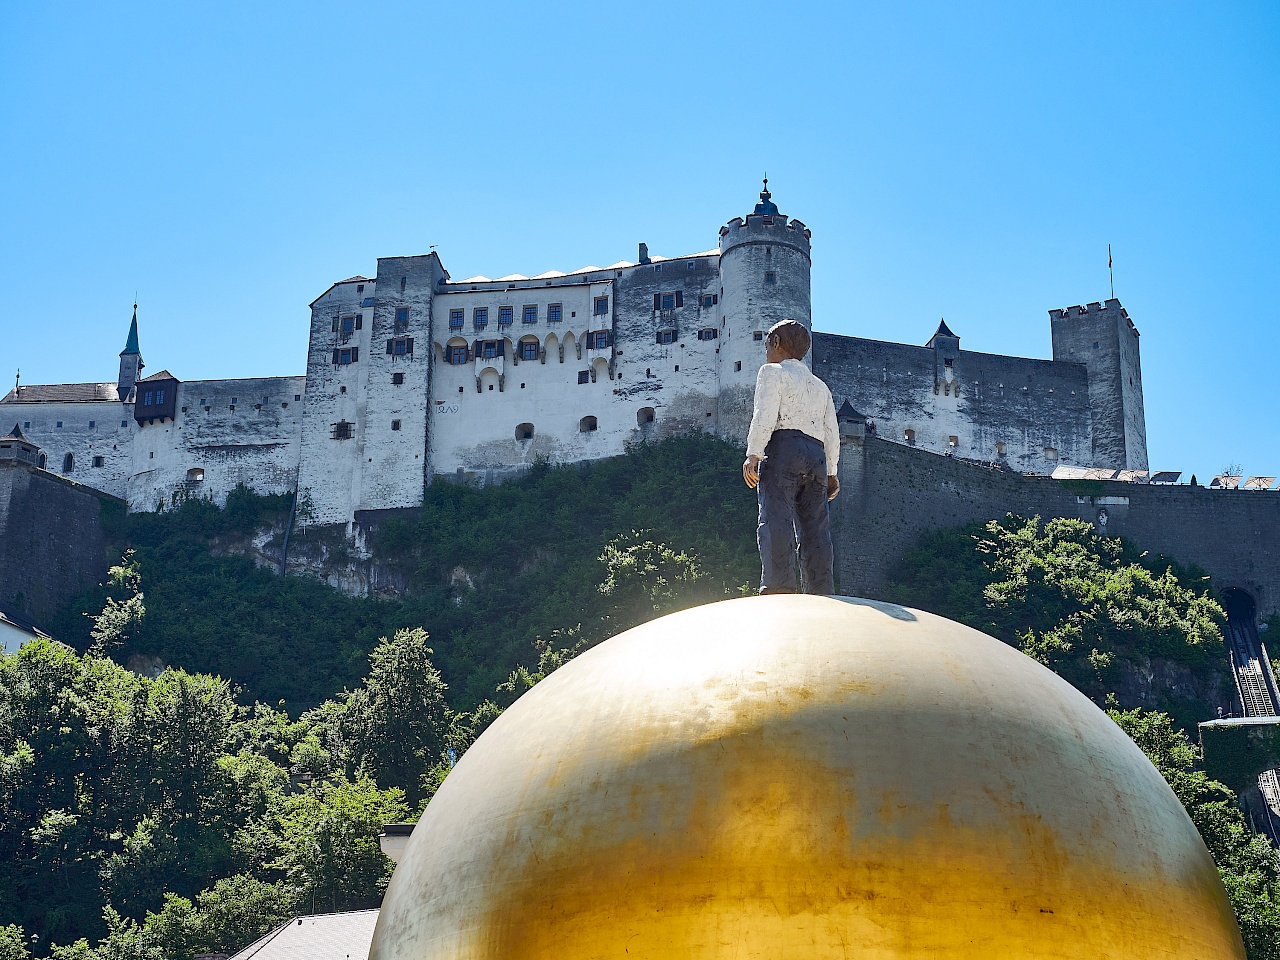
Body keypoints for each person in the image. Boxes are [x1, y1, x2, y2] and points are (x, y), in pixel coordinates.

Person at [742, 319, 840, 595]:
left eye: (766, 345)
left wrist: (754, 453)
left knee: (776, 516)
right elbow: (831, 431)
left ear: (776, 343)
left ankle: (778, 585)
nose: (765, 352)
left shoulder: (772, 373)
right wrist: (832, 471)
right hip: (817, 454)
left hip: (784, 448)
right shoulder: (821, 387)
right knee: (816, 528)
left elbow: (765, 415)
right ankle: (821, 589)